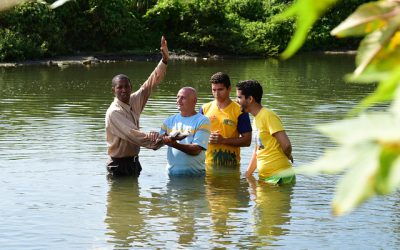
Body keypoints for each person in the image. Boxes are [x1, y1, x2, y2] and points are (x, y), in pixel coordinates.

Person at [105, 36, 169, 177]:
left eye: (126, 87)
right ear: (113, 90)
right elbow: (134, 135)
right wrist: (162, 139)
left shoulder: (133, 100)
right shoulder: (114, 112)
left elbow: (149, 84)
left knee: (132, 198)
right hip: (118, 165)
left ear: (131, 87)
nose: (123, 90)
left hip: (134, 162)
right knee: (120, 199)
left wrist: (164, 60)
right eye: (119, 87)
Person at [236, 80, 295, 184]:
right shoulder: (256, 119)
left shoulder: (268, 115)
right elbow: (258, 151)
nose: (237, 101)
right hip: (266, 179)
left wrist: (288, 155)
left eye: (240, 97)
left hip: (279, 178)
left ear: (250, 99)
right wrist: (247, 175)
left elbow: (286, 145)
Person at [200, 72, 252, 167]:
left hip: (231, 167)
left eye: (220, 90)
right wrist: (205, 138)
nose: (216, 94)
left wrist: (223, 140)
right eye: (214, 90)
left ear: (229, 89)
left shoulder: (240, 110)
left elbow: (247, 141)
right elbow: (196, 136)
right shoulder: (204, 108)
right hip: (206, 166)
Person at [160, 87, 211, 176]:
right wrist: (155, 138)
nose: (178, 101)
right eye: (177, 97)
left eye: (183, 98)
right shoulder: (169, 121)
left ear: (194, 101)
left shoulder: (203, 121)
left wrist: (174, 144)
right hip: (171, 175)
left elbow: (197, 150)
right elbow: (156, 144)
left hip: (194, 176)